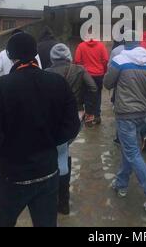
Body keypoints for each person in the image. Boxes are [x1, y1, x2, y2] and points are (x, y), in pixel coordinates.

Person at [0, 32, 80, 227]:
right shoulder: (58, 83)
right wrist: (50, 141)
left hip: (11, 176)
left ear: (11, 56)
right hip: (47, 173)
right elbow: (72, 125)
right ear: (35, 53)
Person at [104, 30, 146, 213]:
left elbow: (107, 83)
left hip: (125, 113)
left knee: (132, 153)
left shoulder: (119, 60)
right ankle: (121, 184)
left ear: (125, 42)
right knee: (129, 150)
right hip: (142, 112)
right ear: (139, 42)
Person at [46, 43, 97, 215]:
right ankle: (64, 202)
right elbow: (93, 87)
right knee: (64, 150)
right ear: (69, 54)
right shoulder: (80, 70)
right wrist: (89, 110)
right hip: (76, 116)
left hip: (52, 118)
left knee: (58, 152)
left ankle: (55, 199)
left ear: (52, 57)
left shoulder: (46, 72)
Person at [75, 38, 109, 125]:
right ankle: (97, 116)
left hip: (86, 75)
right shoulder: (101, 46)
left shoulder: (81, 46)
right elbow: (105, 60)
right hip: (98, 74)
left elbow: (77, 60)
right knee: (97, 94)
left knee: (87, 95)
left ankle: (89, 117)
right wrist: (104, 70)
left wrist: (82, 70)